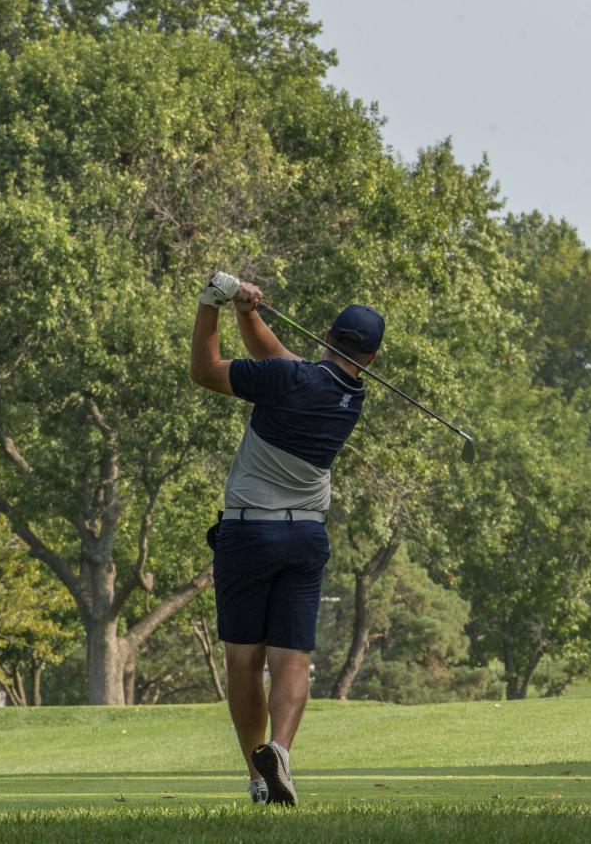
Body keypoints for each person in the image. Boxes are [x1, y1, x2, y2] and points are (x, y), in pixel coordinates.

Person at [189, 271, 384, 806]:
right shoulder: (350, 395)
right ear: (370, 359)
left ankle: (257, 778)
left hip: (250, 535)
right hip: (306, 541)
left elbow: (204, 371)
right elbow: (284, 363)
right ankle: (281, 753)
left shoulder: (291, 381)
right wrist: (248, 313)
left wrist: (212, 302)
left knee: (244, 661)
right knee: (292, 660)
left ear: (326, 335)